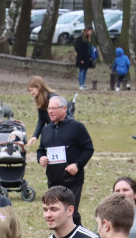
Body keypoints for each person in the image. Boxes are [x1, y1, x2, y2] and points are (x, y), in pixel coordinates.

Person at [36, 96, 94, 225]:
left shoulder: (77, 127)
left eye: (53, 108)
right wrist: (41, 158)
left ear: (64, 109)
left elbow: (88, 149)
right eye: (48, 108)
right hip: (53, 179)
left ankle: (78, 234)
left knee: (70, 212)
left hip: (73, 179)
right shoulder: (46, 130)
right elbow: (41, 150)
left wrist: (77, 165)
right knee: (56, 213)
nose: (50, 111)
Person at [26, 76, 57, 147]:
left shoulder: (53, 99)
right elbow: (41, 120)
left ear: (38, 87)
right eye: (29, 91)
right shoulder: (40, 100)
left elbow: (58, 119)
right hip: (52, 131)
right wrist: (35, 136)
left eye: (32, 90)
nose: (31, 93)